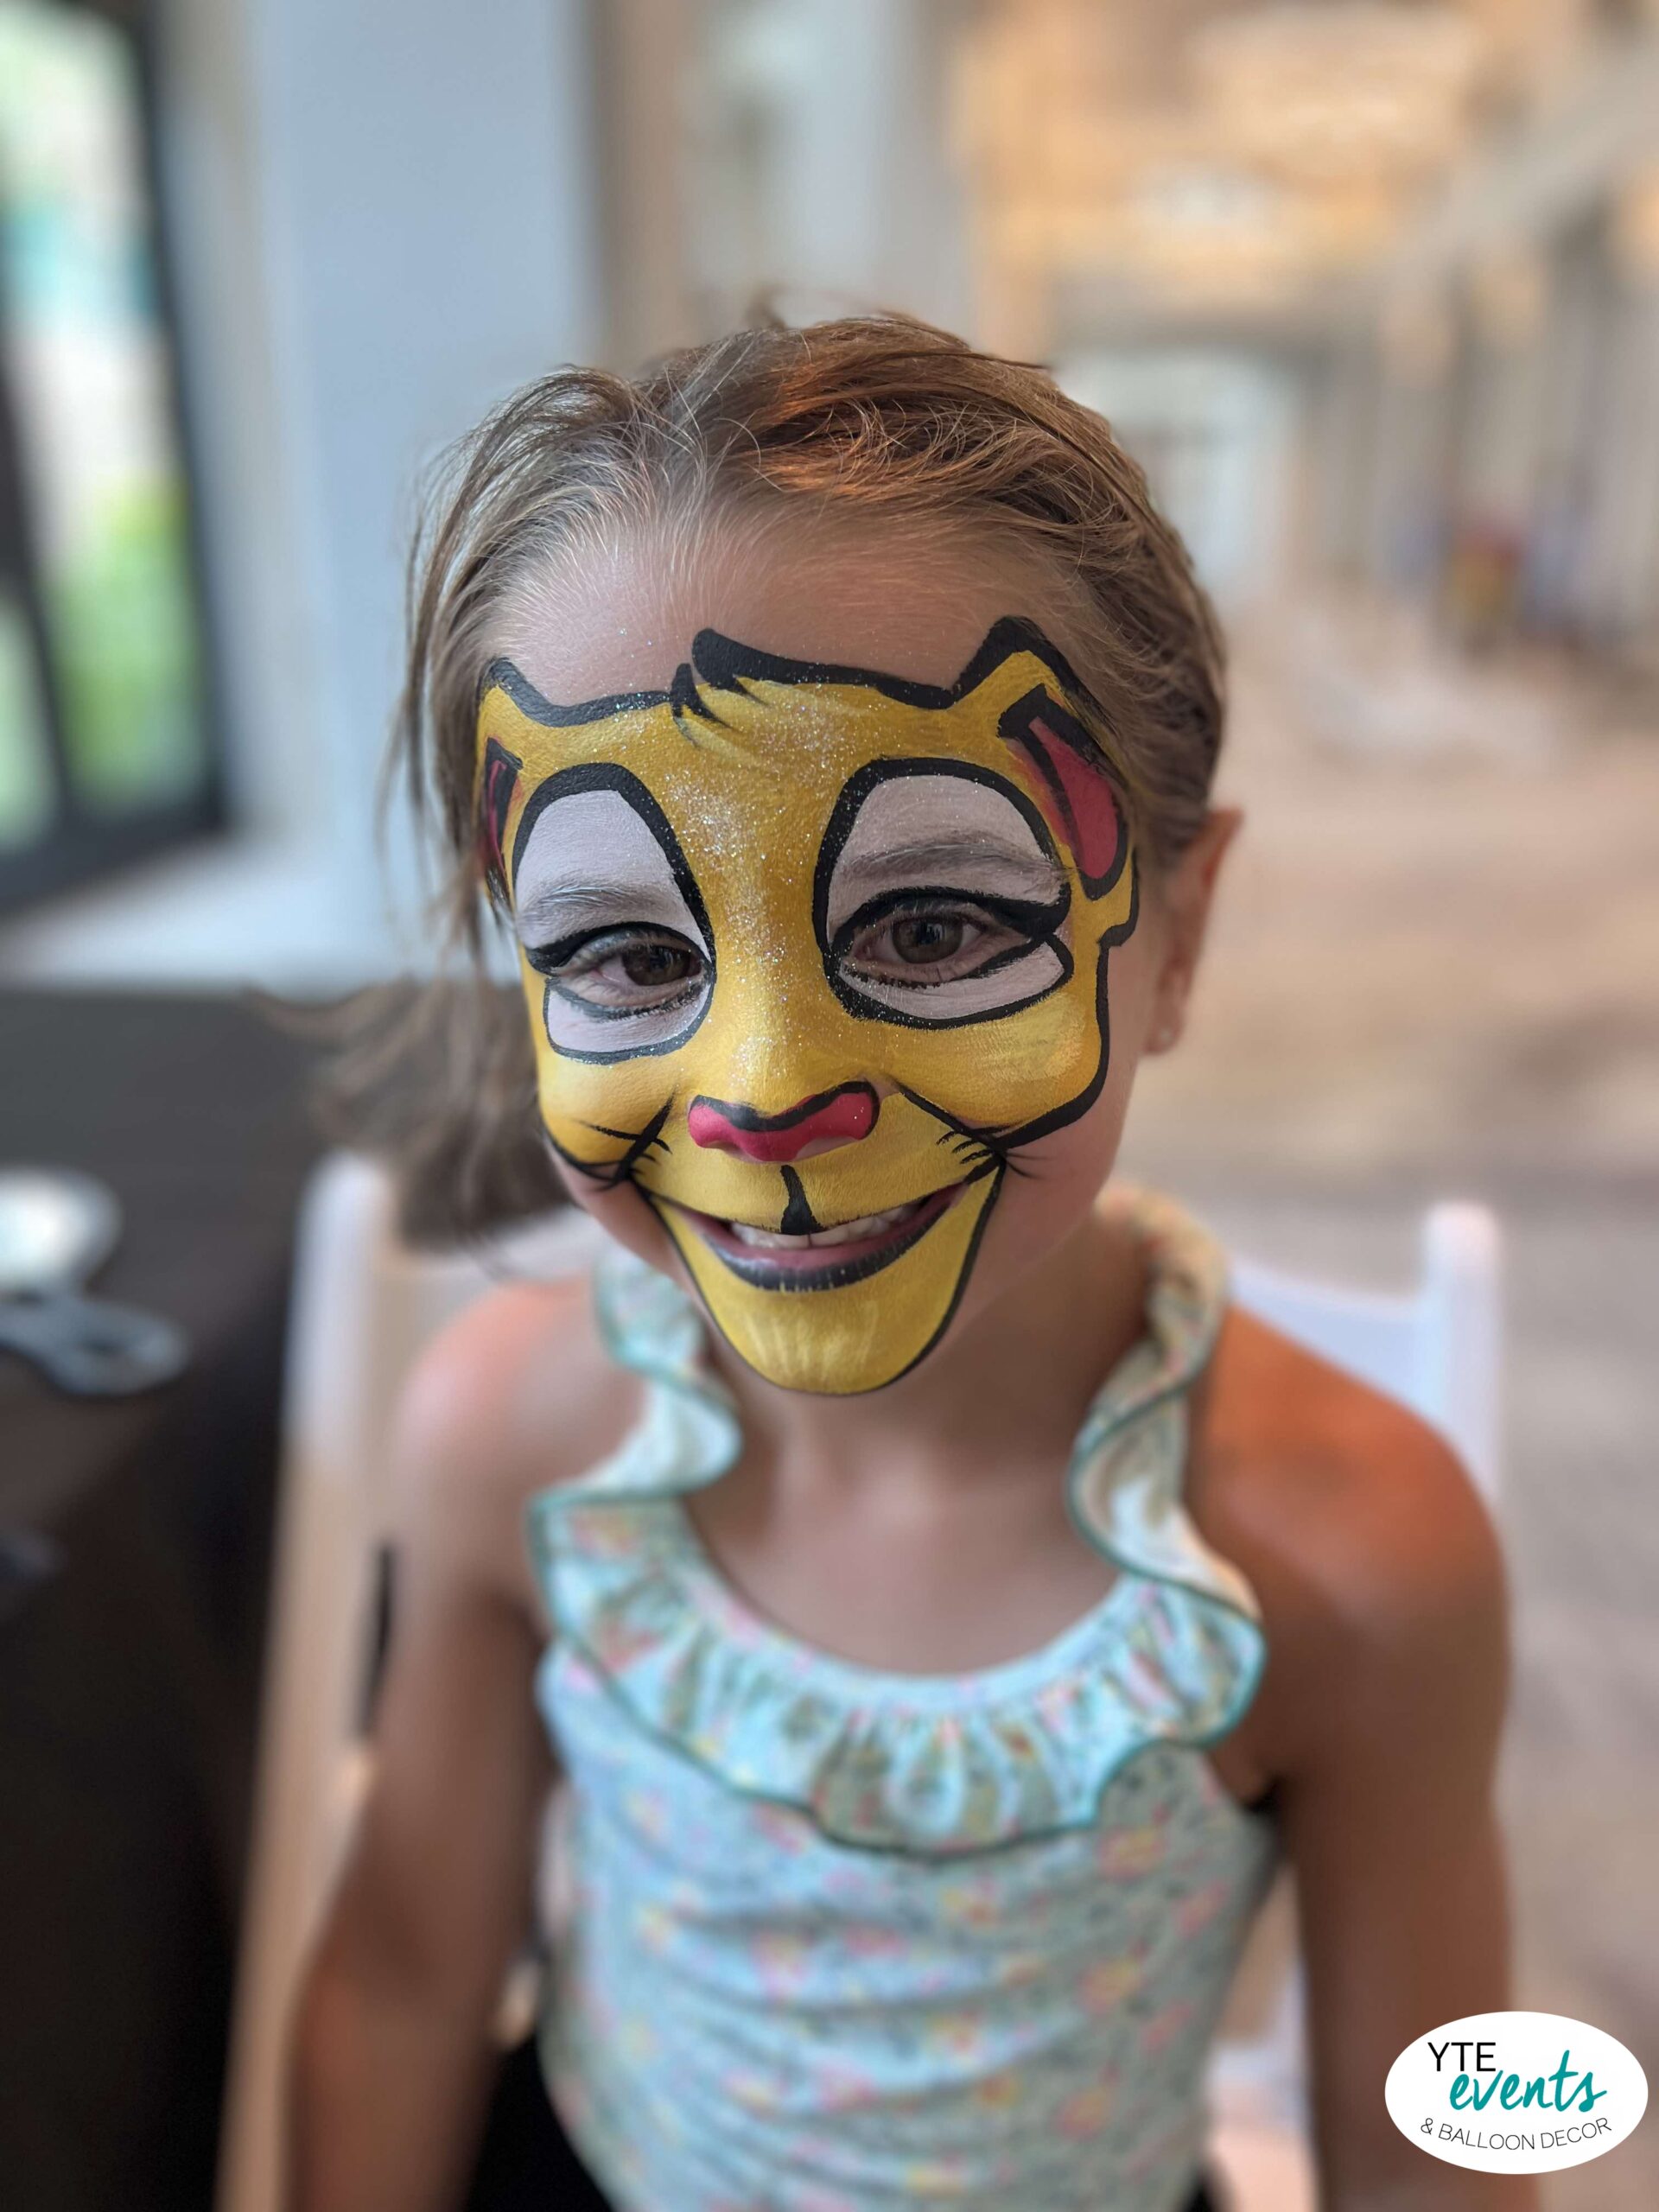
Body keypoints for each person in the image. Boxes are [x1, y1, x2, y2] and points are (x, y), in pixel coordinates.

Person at [289, 317, 1530, 2212]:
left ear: (1175, 934)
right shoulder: (515, 1438)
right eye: (625, 956)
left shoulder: (1354, 1557)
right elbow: (396, 1979)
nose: (767, 1092)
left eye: (938, 920)